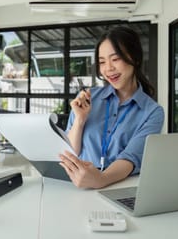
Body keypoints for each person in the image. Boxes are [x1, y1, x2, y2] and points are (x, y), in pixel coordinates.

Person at [59, 26, 164, 189]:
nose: (108, 68)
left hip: (120, 188)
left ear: (135, 58)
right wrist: (79, 120)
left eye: (115, 59)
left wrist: (100, 179)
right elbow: (69, 152)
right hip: (78, 186)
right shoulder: (88, 98)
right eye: (102, 62)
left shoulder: (152, 112)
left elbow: (131, 157)